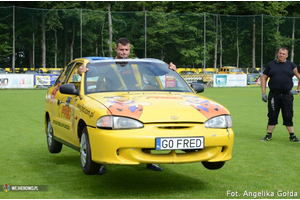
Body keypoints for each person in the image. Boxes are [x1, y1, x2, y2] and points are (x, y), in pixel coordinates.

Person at [78, 37, 177, 174]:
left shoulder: (137, 64)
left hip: (137, 100)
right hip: (114, 101)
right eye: (121, 50)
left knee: (145, 126)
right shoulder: (107, 65)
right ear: (116, 49)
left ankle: (150, 160)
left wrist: (169, 69)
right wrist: (80, 71)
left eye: (126, 50)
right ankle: (101, 163)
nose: (124, 52)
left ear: (130, 50)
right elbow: (90, 71)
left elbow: (155, 71)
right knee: (108, 131)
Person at [261, 47, 300, 142]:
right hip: (274, 95)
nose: (281, 55)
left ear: (287, 55)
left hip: (287, 95)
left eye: (283, 54)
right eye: (280, 53)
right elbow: (264, 79)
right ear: (277, 54)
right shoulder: (271, 65)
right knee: (272, 114)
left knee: (288, 115)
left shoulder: (291, 65)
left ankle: (292, 136)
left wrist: (298, 90)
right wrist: (263, 93)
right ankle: (268, 135)